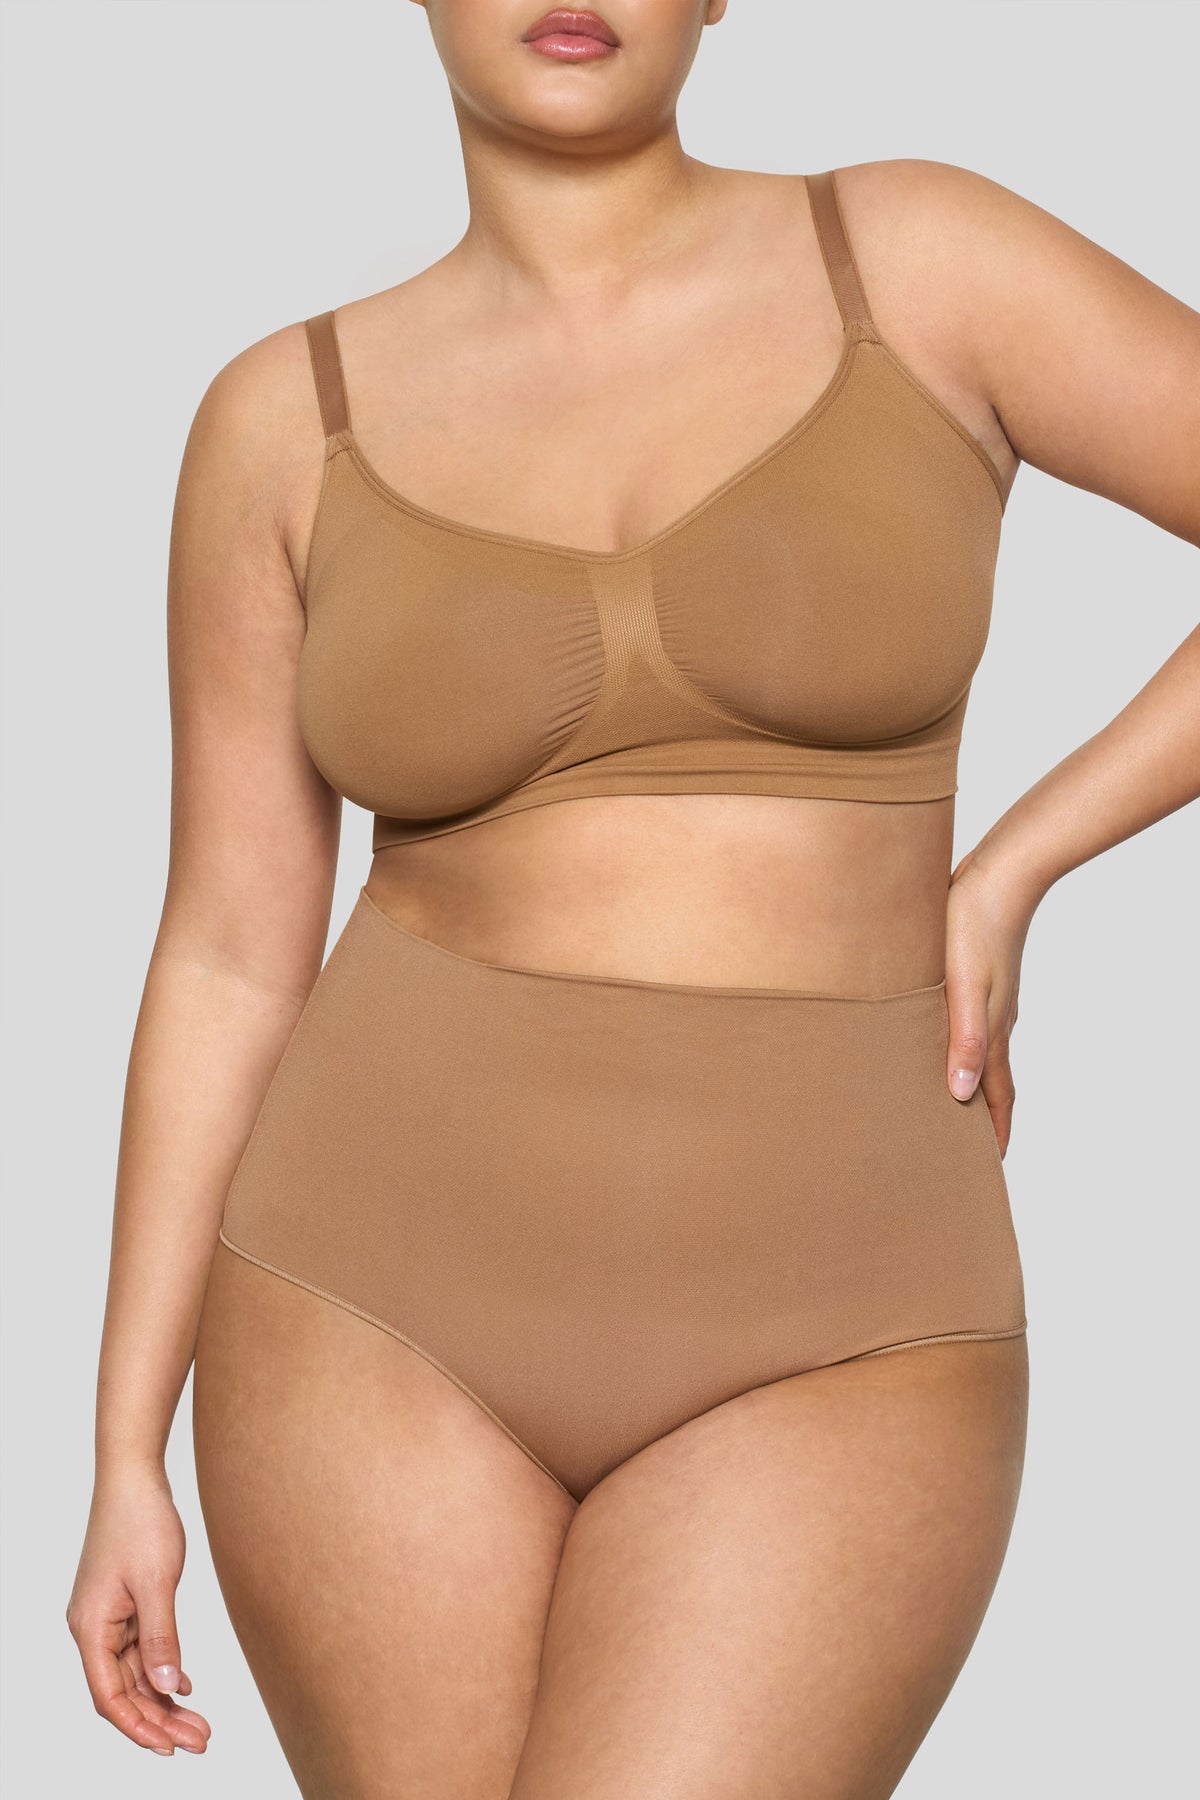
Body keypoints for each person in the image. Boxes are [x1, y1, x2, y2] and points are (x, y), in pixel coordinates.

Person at [66, 2, 1200, 1794]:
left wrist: (1019, 864)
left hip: (841, 1319)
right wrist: (123, 1445)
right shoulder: (281, 420)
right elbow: (224, 955)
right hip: (366, 1307)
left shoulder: (917, 262)